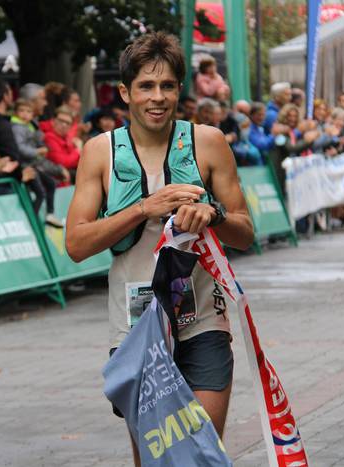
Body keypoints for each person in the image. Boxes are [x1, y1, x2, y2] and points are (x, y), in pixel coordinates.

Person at [65, 32, 254, 466]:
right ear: (125, 92)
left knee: (200, 453)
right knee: (157, 459)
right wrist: (143, 209)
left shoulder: (208, 142)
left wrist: (213, 214)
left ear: (179, 90)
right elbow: (76, 243)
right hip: (138, 329)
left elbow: (245, 233)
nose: (157, 97)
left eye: (167, 86)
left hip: (202, 320)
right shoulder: (100, 152)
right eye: (146, 86)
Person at [11, 98, 69, 226]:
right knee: (40, 193)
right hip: (25, 166)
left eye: (28, 111)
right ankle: (31, 221)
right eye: (21, 111)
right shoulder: (17, 128)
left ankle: (50, 214)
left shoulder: (31, 127)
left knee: (51, 184)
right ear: (15, 112)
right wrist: (37, 151)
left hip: (33, 165)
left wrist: (41, 144)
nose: (25, 114)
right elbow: (20, 148)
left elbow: (40, 144)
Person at [43, 105, 81, 179]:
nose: (64, 125)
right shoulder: (49, 137)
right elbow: (63, 163)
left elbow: (77, 162)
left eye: (68, 123)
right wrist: (78, 150)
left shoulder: (67, 138)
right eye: (61, 121)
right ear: (53, 121)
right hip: (56, 179)